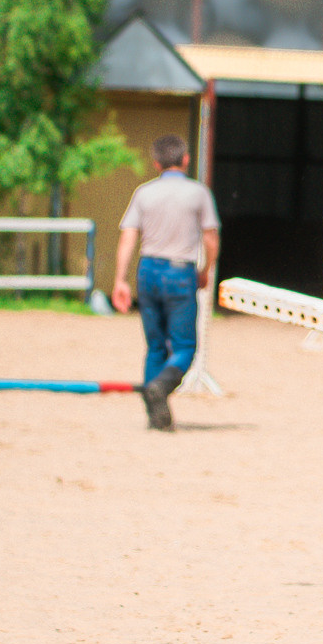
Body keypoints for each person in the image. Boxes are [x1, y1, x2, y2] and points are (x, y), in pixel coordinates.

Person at [111, 133, 222, 432]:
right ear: (185, 159)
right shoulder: (198, 193)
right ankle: (161, 386)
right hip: (180, 271)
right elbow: (211, 238)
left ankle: (155, 415)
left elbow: (128, 236)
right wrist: (206, 268)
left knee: (155, 346)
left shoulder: (143, 193)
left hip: (148, 269)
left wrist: (120, 279)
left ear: (156, 162)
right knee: (186, 346)